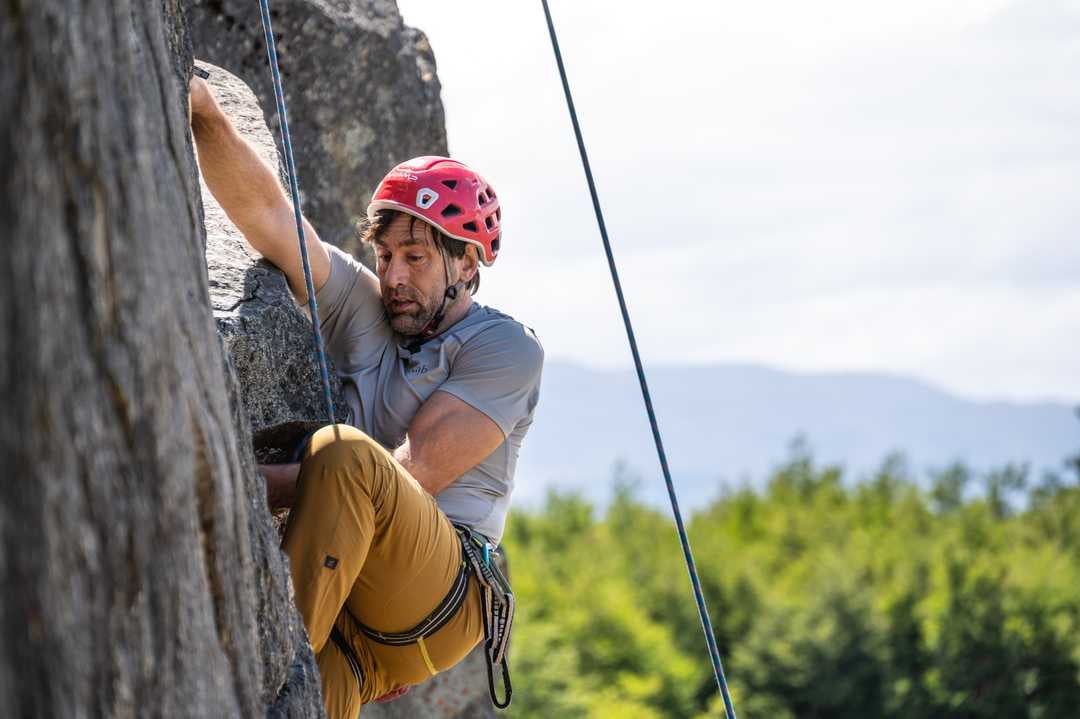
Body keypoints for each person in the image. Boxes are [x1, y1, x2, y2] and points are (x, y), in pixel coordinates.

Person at [189, 76, 543, 717]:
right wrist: (202, 112)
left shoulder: (505, 348)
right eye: (384, 255)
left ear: (467, 263)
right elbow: (272, 220)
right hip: (354, 610)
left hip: (442, 593)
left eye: (416, 256)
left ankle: (273, 658)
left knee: (345, 454)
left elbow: (415, 473)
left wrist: (231, 481)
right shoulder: (370, 311)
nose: (395, 276)